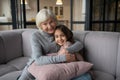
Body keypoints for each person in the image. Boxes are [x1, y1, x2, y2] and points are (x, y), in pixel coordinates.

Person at [18, 8, 92, 80]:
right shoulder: (36, 36)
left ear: (55, 21)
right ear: (40, 26)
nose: (49, 26)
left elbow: (79, 44)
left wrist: (67, 50)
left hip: (54, 67)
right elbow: (38, 60)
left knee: (86, 77)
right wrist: (63, 57)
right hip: (36, 67)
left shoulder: (59, 32)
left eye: (51, 22)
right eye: (45, 24)